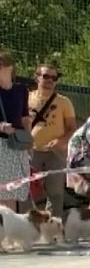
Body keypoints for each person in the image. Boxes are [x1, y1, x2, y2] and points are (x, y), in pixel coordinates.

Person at [28, 63, 76, 219]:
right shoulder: (27, 97)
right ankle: (29, 227)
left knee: (55, 193)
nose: (49, 80)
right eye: (45, 76)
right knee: (27, 192)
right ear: (37, 77)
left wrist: (61, 141)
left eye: (53, 78)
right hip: (31, 151)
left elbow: (71, 128)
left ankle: (53, 231)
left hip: (55, 153)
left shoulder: (64, 102)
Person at [0, 52, 31, 210]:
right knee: (2, 192)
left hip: (17, 145)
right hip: (1, 145)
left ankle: (8, 231)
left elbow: (25, 117)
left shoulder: (21, 90)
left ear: (9, 67)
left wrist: (29, 140)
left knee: (13, 192)